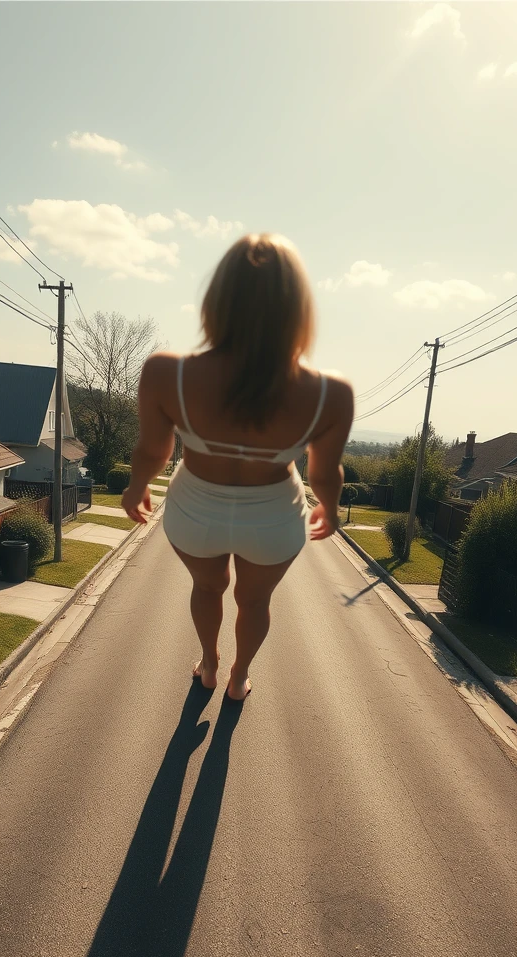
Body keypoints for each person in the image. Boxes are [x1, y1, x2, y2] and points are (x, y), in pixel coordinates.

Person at [122, 233, 353, 701]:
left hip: (194, 515)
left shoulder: (167, 373)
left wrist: (136, 487)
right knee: (255, 601)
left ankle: (209, 664)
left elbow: (153, 451)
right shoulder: (331, 394)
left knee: (207, 589)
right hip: (272, 519)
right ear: (297, 308)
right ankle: (238, 678)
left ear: (217, 299)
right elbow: (325, 473)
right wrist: (328, 506)